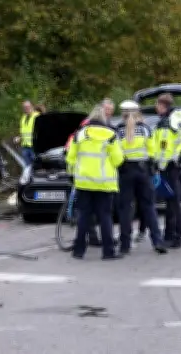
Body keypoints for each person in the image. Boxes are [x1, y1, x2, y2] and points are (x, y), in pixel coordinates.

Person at [65, 105, 125, 260]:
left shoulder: (80, 135)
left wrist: (73, 174)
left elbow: (70, 158)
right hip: (104, 184)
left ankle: (79, 250)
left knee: (83, 216)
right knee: (105, 217)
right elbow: (118, 160)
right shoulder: (111, 135)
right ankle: (108, 251)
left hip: (84, 182)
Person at [115, 100, 168, 255]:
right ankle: (157, 241)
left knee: (125, 209)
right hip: (144, 171)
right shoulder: (145, 129)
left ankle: (125, 245)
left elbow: (116, 153)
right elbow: (153, 151)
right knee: (149, 207)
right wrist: (154, 168)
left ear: (123, 114)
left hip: (126, 171)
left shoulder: (119, 131)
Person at [152, 93, 181, 249]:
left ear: (163, 105)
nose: (156, 108)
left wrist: (172, 160)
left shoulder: (172, 120)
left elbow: (176, 144)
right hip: (167, 166)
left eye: (157, 105)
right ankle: (169, 235)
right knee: (170, 202)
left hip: (172, 166)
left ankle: (175, 237)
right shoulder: (166, 120)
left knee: (173, 203)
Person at [64, 116, 102, 246]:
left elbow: (68, 155)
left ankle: (86, 239)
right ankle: (90, 238)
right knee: (87, 210)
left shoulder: (75, 136)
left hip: (79, 176)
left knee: (85, 209)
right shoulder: (82, 137)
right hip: (85, 176)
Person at [15, 100, 40, 165]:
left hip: (35, 147)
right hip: (25, 147)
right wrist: (19, 137)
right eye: (25, 107)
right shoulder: (23, 118)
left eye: (28, 107)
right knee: (28, 167)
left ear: (32, 106)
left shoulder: (37, 116)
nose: (26, 108)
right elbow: (23, 131)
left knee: (37, 166)